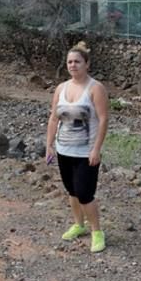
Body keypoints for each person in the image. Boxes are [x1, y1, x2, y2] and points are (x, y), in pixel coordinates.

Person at [46, 41, 109, 253]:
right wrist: (49, 145)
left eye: (77, 62)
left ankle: (97, 232)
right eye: (70, 62)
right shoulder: (61, 88)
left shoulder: (95, 88)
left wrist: (96, 149)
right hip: (64, 149)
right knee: (71, 191)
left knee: (84, 193)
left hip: (86, 152)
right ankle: (78, 225)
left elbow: (103, 120)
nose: (73, 65)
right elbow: (54, 119)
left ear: (87, 64)